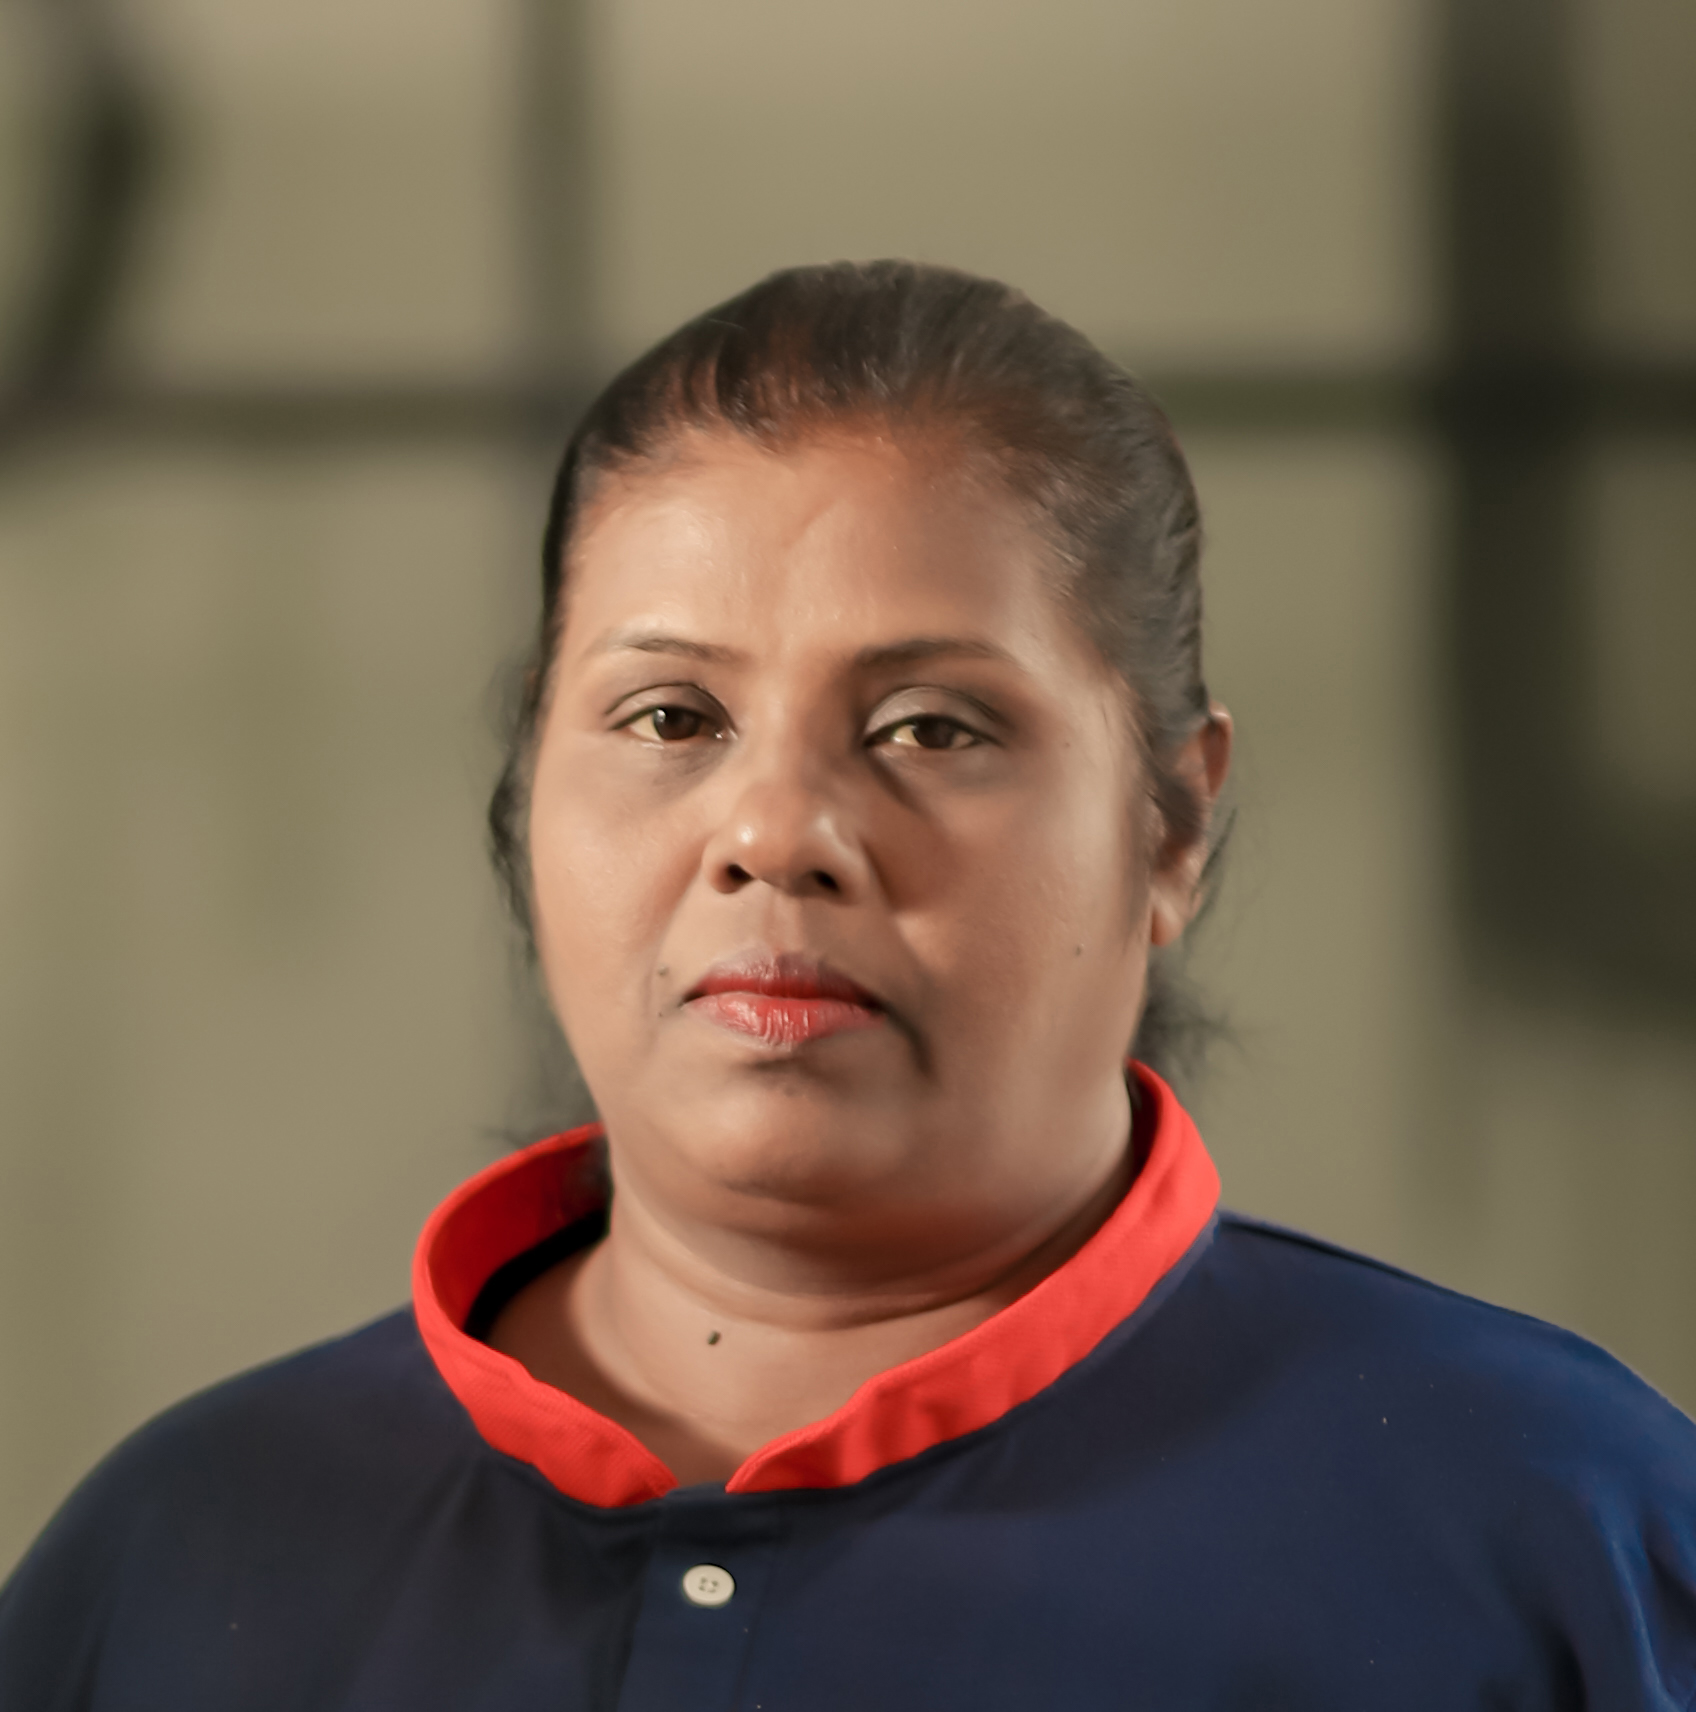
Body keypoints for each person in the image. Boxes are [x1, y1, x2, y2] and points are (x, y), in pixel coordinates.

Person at [3, 260, 1693, 1709]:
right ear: (529, 788)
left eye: (930, 729)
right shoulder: (179, 1563)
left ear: (1172, 823)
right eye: (671, 718)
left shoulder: (1553, 1536)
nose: (776, 834)